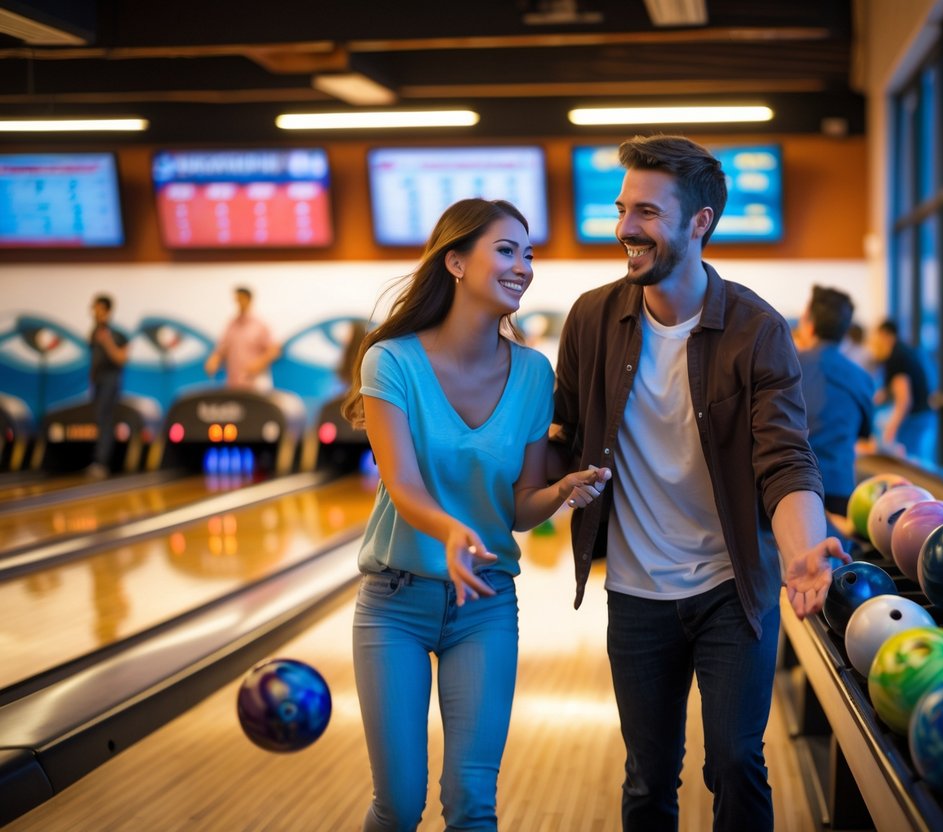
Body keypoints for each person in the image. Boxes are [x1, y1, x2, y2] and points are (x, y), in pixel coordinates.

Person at [549, 135, 845, 832]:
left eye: (646, 213)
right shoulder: (591, 318)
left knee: (735, 762)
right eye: (623, 209)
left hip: (728, 587)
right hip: (635, 590)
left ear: (698, 223)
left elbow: (785, 460)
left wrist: (803, 547)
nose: (625, 228)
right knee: (648, 779)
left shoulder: (756, 329)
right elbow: (557, 433)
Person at [340, 198, 609, 832]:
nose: (524, 266)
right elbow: (401, 483)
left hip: (486, 605)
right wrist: (451, 530)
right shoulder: (392, 361)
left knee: (472, 804)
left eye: (530, 254)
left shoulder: (534, 373)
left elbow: (518, 506)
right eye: (507, 250)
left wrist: (563, 490)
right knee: (399, 805)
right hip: (395, 604)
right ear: (455, 261)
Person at [796, 286, 875, 535]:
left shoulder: (785, 367)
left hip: (792, 488)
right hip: (839, 488)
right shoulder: (861, 377)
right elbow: (865, 434)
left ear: (809, 323)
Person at [870, 319, 934, 458]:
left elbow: (904, 400)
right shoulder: (905, 350)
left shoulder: (896, 356)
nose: (874, 343)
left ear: (885, 335)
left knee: (910, 463)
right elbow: (888, 392)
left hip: (915, 417)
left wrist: (891, 430)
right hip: (923, 414)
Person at [204, 286, 279, 390]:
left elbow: (273, 350)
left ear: (249, 299)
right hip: (233, 383)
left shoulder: (260, 325)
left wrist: (259, 364)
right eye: (237, 299)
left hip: (255, 384)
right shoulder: (231, 325)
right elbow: (222, 348)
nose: (239, 302)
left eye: (241, 299)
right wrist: (214, 359)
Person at [86, 294, 128, 478]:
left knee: (106, 421)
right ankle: (98, 461)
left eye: (99, 309)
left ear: (108, 311)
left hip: (111, 382)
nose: (95, 312)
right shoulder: (93, 332)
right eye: (94, 308)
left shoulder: (116, 334)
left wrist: (107, 341)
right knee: (99, 420)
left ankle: (102, 462)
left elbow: (121, 358)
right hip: (98, 382)